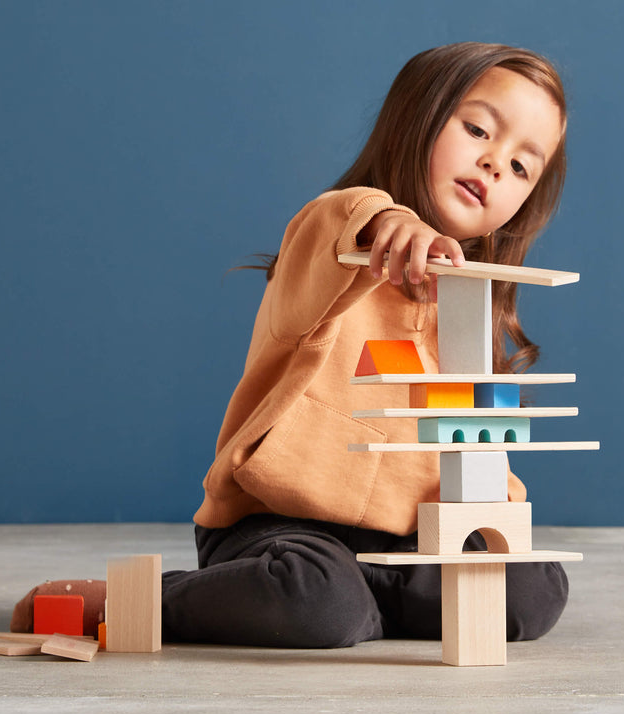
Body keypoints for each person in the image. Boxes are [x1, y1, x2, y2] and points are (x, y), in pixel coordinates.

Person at [160, 41, 570, 648]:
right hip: (279, 530)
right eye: (480, 130)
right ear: (416, 119)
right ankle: (152, 597)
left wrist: (497, 522)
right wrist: (386, 221)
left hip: (403, 543)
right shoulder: (332, 248)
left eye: (520, 167)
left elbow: (474, 437)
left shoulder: (466, 306)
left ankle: (365, 608)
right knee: (315, 592)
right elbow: (336, 221)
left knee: (535, 588)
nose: (494, 164)